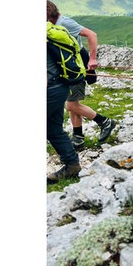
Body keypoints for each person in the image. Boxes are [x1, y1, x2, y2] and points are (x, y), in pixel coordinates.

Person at [47, 0, 118, 149]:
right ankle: (78, 137)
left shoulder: (64, 22)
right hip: (68, 67)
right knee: (73, 103)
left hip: (76, 66)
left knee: (71, 105)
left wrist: (93, 58)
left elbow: (91, 34)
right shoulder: (54, 25)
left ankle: (105, 122)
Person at [46, 22, 81, 184]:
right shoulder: (48, 33)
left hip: (50, 88)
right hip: (60, 86)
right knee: (52, 128)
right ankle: (72, 165)